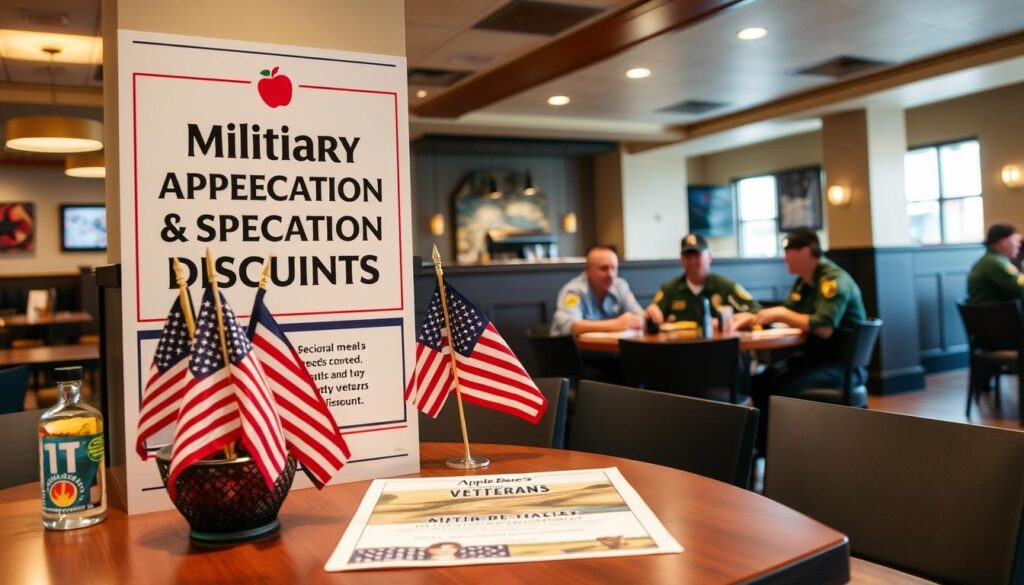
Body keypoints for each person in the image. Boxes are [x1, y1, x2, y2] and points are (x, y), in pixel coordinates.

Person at [750, 227, 867, 449]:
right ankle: (766, 449)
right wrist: (759, 317)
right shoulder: (804, 282)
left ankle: (788, 451)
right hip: (814, 360)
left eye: (788, 251)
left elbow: (824, 328)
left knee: (780, 390)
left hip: (840, 366)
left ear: (805, 251)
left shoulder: (833, 281)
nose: (784, 258)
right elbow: (792, 317)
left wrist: (782, 313)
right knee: (760, 381)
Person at [644, 233, 761, 330]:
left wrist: (725, 321)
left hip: (719, 350)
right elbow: (654, 316)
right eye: (687, 256)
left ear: (709, 257)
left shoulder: (724, 286)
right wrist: (651, 314)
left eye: (697, 255)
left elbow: (756, 312)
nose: (692, 260)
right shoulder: (669, 289)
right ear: (681, 260)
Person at [551, 245, 644, 336]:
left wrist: (648, 316)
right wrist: (615, 324)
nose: (610, 274)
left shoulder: (620, 286)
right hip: (571, 350)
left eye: (614, 268)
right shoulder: (573, 291)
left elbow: (638, 315)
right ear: (588, 269)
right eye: (604, 268)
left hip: (608, 348)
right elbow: (569, 326)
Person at [967, 223, 1024, 303]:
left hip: (989, 313)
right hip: (996, 314)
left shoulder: (989, 260)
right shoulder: (996, 263)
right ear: (1004, 242)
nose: (1019, 245)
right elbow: (1021, 290)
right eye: (1016, 241)